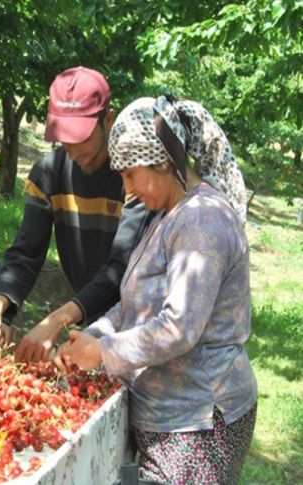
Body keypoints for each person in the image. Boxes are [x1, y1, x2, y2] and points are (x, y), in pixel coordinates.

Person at [60, 95, 255, 484]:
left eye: (130, 173)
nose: (127, 188)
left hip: (199, 422)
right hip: (171, 416)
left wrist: (103, 351)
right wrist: (96, 334)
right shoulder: (167, 215)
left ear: (164, 161)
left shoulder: (202, 223)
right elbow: (135, 302)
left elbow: (178, 328)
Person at [0, 66, 152, 360]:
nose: (73, 150)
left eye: (81, 137)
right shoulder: (49, 174)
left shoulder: (134, 178)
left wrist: (58, 319)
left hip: (138, 327)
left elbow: (120, 269)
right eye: (64, 138)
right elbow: (26, 253)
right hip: (90, 318)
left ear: (108, 119)